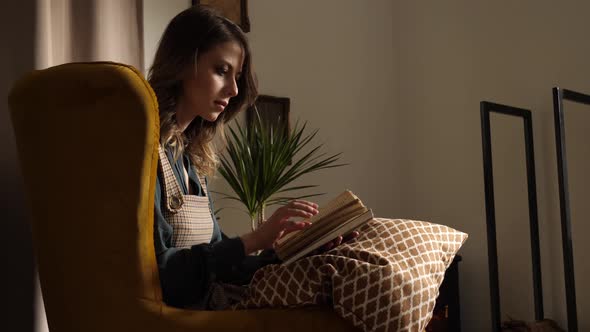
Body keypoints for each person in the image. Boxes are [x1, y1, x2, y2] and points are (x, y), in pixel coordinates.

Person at [148, 5, 354, 309]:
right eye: (221, 70)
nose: (233, 89)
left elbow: (221, 265)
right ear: (182, 63)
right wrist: (253, 240)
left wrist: (291, 252)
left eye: (237, 76)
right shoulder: (147, 155)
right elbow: (163, 277)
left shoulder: (190, 162)